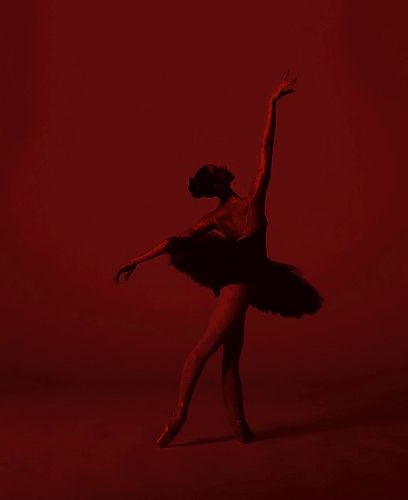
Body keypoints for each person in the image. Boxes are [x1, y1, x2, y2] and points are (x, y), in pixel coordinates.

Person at [114, 71, 324, 447]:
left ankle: (240, 426)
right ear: (218, 183)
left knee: (231, 357)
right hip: (241, 282)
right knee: (204, 349)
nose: (224, 165)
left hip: (243, 279)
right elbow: (266, 150)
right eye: (217, 168)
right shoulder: (250, 203)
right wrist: (271, 104)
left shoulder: (214, 218)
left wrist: (135, 259)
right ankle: (178, 414)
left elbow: (170, 240)